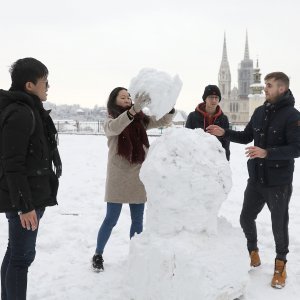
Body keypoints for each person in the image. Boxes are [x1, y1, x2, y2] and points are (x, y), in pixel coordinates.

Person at [206, 72, 300, 288]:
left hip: (278, 182)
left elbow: (296, 148)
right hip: (256, 180)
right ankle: (253, 252)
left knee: (279, 225)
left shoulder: (293, 116)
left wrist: (267, 152)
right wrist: (224, 132)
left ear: (281, 89)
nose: (265, 89)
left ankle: (280, 264)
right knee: (246, 218)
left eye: (269, 85)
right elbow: (246, 136)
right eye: (265, 85)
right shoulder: (259, 112)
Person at [92, 87, 175, 272]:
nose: (128, 99)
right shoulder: (110, 120)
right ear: (114, 101)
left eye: (129, 96)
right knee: (111, 219)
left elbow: (162, 121)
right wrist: (133, 110)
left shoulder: (140, 120)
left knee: (137, 221)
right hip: (118, 176)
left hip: (138, 174)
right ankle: (98, 254)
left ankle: (134, 255)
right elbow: (116, 127)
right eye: (123, 97)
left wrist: (168, 105)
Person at [0, 58, 62, 299]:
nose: (48, 86)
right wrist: (25, 206)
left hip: (26, 195)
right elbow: (12, 163)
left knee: (15, 253)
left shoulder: (27, 109)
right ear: (29, 85)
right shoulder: (21, 113)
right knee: (21, 258)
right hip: (25, 199)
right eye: (45, 82)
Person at [185, 84, 230, 160]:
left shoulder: (223, 119)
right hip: (196, 159)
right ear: (205, 99)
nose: (214, 100)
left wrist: (226, 160)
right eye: (211, 97)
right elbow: (186, 139)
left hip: (215, 160)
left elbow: (226, 143)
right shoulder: (193, 116)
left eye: (216, 98)